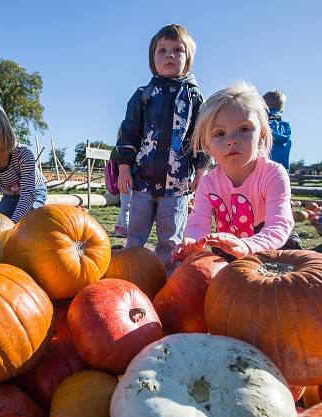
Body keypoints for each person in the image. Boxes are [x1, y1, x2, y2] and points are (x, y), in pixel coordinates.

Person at [114, 23, 210, 271]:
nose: (169, 55)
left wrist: (200, 170)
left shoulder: (193, 97)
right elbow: (128, 133)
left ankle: (167, 278)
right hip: (142, 182)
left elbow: (199, 137)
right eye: (162, 50)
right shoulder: (143, 95)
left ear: (187, 59)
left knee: (170, 239)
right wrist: (124, 168)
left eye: (177, 50)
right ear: (152, 58)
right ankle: (132, 273)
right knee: (135, 236)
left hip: (176, 185)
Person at [172, 82, 298, 264]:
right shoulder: (208, 182)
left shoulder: (273, 174)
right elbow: (199, 221)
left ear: (262, 134)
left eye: (244, 129)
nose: (231, 140)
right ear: (207, 145)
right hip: (229, 247)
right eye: (219, 133)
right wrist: (192, 240)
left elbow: (279, 225)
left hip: (273, 247)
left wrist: (247, 246)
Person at [263, 90, 291, 170]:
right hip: (283, 170)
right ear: (282, 110)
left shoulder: (263, 125)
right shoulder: (287, 127)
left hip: (265, 169)